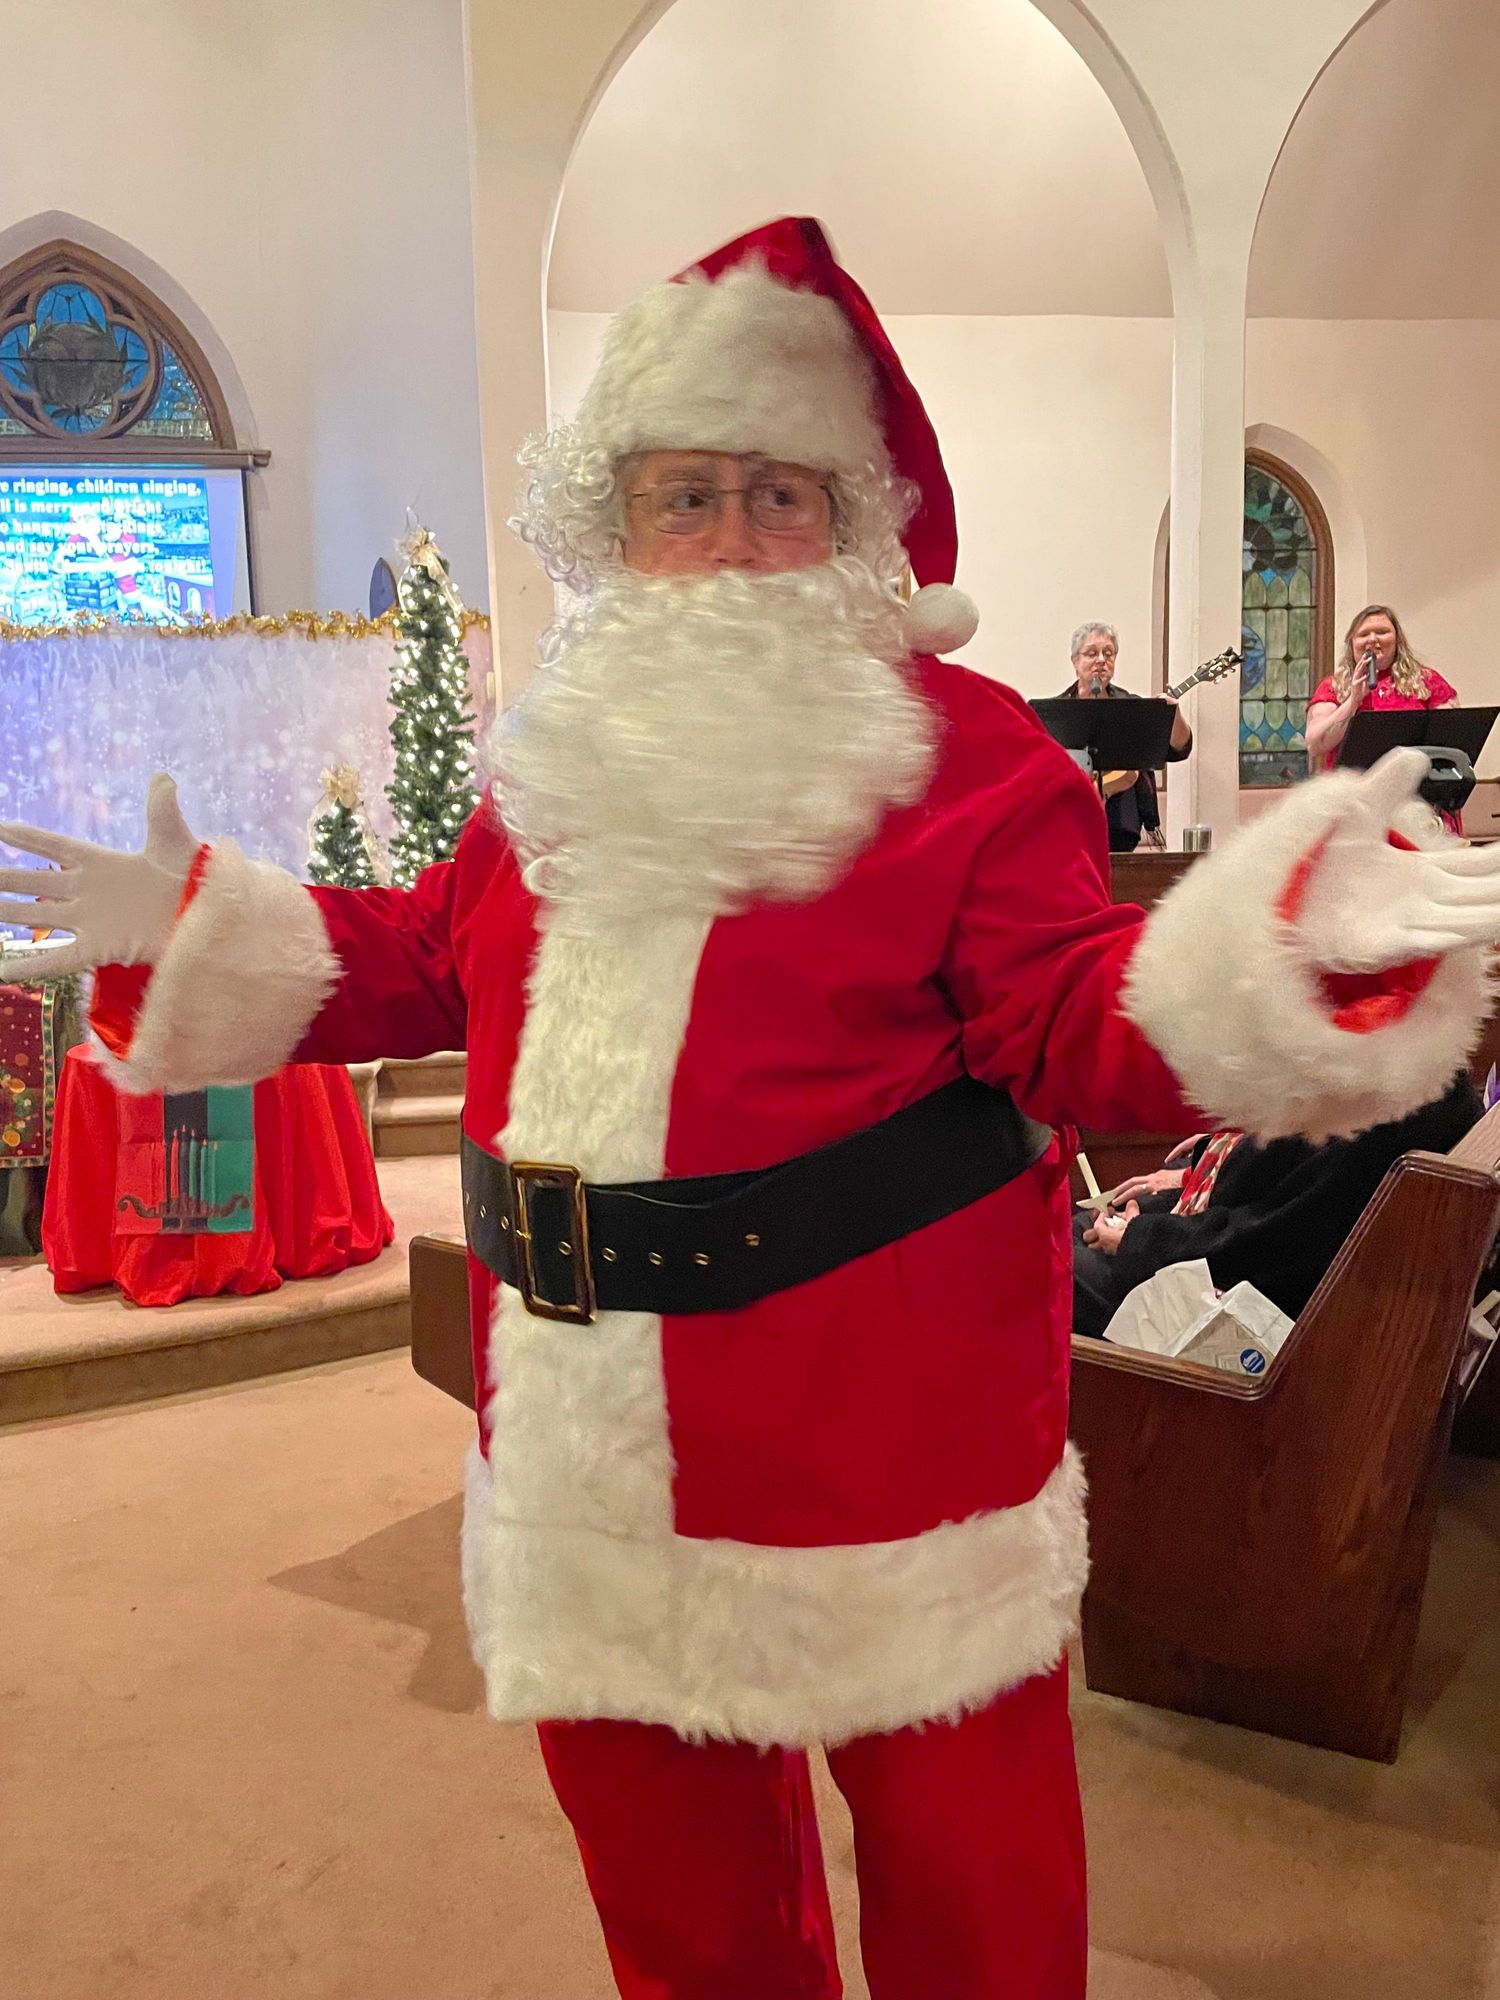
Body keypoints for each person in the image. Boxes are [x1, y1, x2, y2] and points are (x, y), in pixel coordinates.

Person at [5, 217, 1500, 2000]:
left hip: (892, 1456)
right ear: (618, 524)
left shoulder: (972, 759)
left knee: (976, 1907)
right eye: (685, 496)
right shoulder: (561, 755)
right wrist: (195, 932)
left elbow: (1073, 1022)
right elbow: (426, 954)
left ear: (853, 529)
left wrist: (1277, 957)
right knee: (683, 1922)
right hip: (579, 1456)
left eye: (779, 497)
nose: (727, 539)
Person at [1073, 1073, 1483, 1339]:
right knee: (1097, 1218)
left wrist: (1139, 1240)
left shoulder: (1396, 1105)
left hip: (1251, 1308)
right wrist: (1217, 1155)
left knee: (1054, 1263)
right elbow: (1298, 1164)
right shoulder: (1435, 1083)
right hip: (1252, 1245)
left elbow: (1275, 1239)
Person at [1056, 623, 1193, 852]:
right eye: (1092, 653)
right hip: (1068, 824)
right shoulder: (1057, 712)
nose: (1101, 660)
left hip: (1120, 826)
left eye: (1108, 653)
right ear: (1075, 661)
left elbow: (1179, 750)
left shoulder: (1131, 707)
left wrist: (1174, 713)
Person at [1305, 603, 1458, 771]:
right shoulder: (1333, 686)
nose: (1372, 639)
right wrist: (1353, 701)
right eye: (1363, 634)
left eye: (1382, 632)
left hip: (1411, 780)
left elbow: (1453, 737)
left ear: (1397, 640)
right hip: (1350, 783)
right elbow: (1315, 745)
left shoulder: (1427, 681)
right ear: (1352, 643)